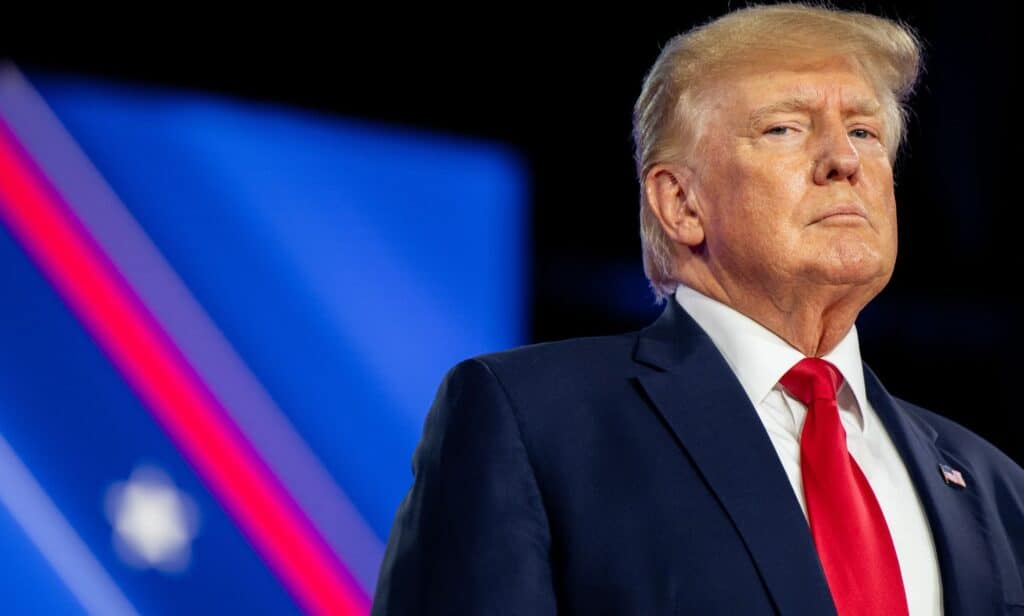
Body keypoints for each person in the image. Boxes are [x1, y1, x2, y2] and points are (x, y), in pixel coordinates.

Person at [371, 4, 1024, 615]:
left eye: (864, 131)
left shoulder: (995, 487)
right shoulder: (531, 422)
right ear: (680, 204)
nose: (844, 160)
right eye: (785, 128)